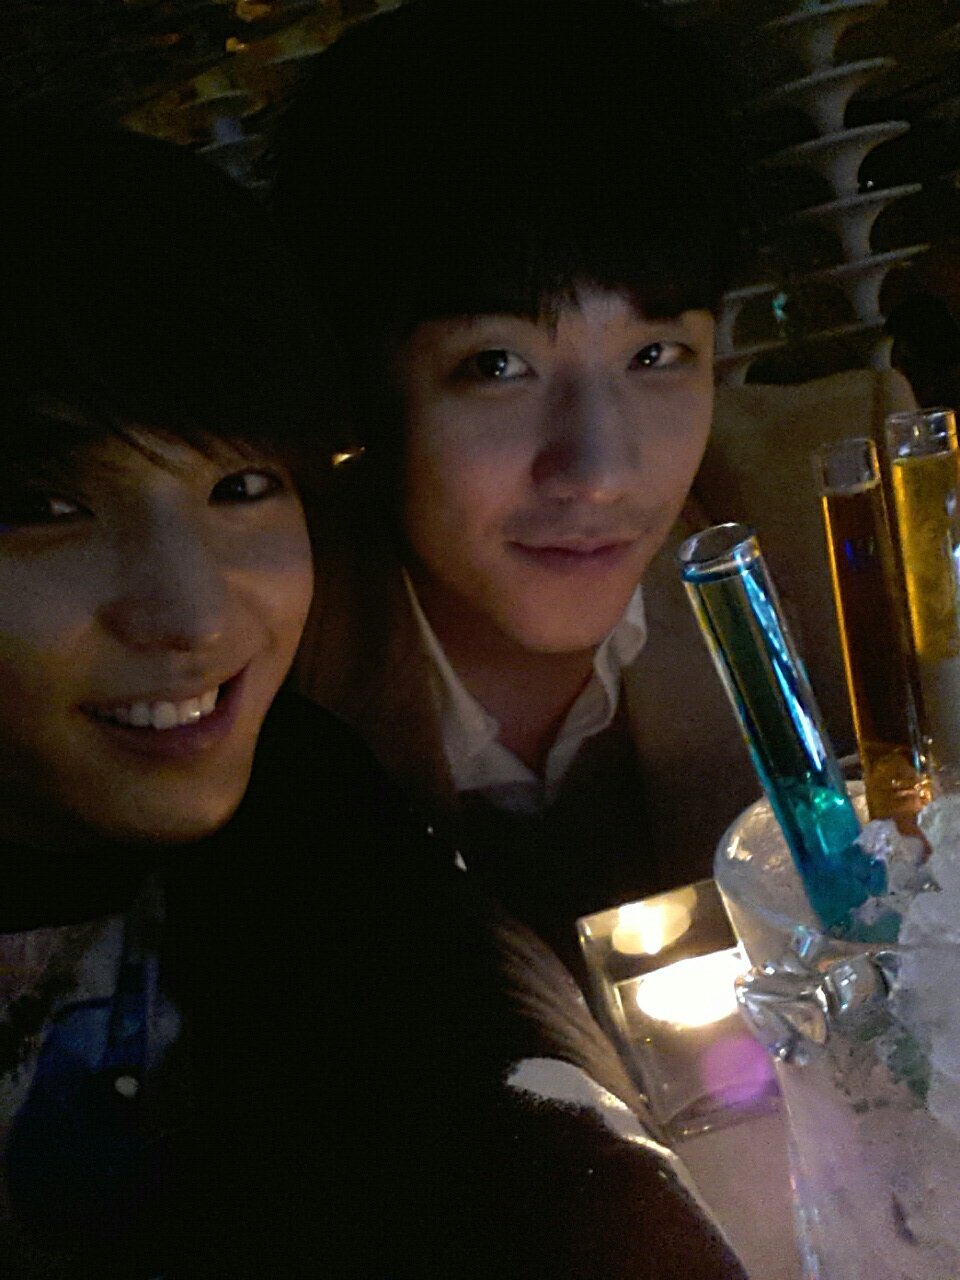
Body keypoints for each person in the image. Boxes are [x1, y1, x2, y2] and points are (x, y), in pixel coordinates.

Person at [0, 114, 746, 1277]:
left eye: (242, 485)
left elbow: (490, 1067)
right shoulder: (320, 710)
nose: (193, 615)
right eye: (49, 507)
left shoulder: (303, 799)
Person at [272, 0, 756, 970]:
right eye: (498, 365)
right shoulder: (256, 662)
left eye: (656, 354)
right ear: (358, 386)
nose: (602, 471)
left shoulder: (844, 531)